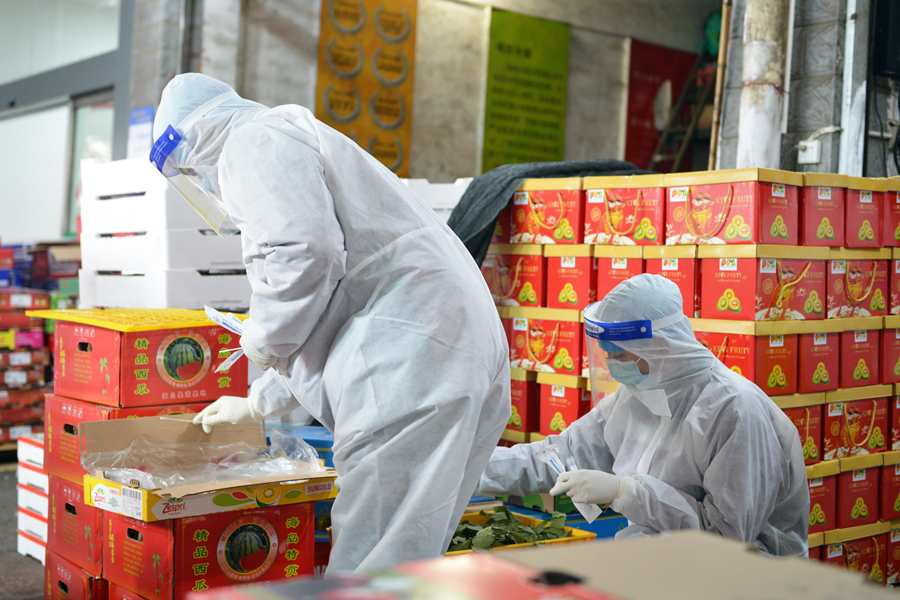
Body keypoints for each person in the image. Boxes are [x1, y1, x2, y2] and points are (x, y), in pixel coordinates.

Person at [149, 73, 510, 572]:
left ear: (199, 134)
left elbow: (305, 255)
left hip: (410, 360)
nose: (200, 180)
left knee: (372, 565)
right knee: (410, 558)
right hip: (450, 347)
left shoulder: (250, 140)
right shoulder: (295, 136)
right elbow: (331, 307)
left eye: (190, 168)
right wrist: (258, 402)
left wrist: (262, 336)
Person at [477, 274, 809, 556]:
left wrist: (625, 492)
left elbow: (726, 537)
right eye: (607, 355)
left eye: (621, 355)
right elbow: (559, 455)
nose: (612, 366)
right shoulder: (637, 395)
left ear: (662, 347)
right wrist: (469, 467)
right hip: (662, 565)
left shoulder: (734, 410)